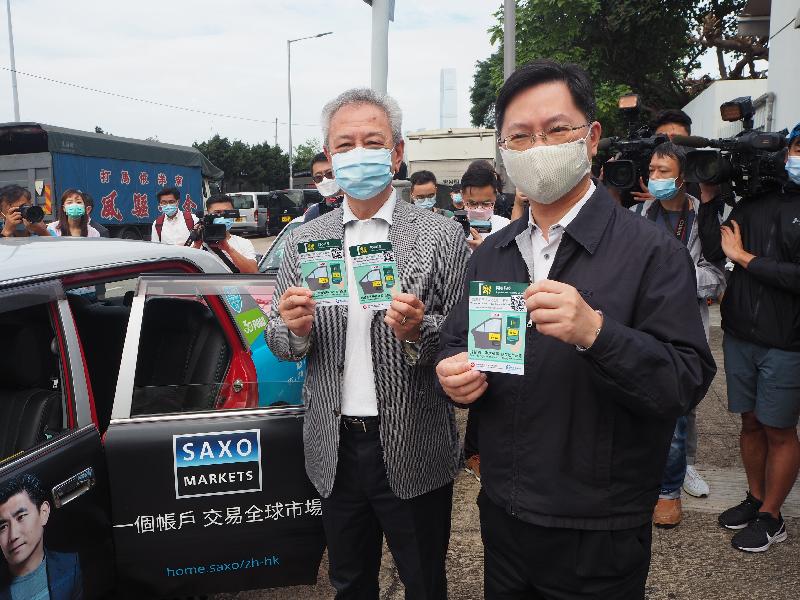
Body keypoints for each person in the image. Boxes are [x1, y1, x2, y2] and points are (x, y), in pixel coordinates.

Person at [435, 59, 715, 598]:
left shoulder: (651, 252)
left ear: (590, 139)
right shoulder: (493, 252)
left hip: (598, 530)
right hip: (503, 514)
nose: (537, 146)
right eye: (519, 135)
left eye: (556, 130)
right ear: (504, 150)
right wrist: (453, 371)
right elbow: (457, 339)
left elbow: (685, 379)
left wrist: (597, 332)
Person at [266, 87, 468, 600]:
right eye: (345, 144)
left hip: (413, 437)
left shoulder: (440, 235)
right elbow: (278, 338)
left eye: (371, 141)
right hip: (333, 443)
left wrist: (417, 330)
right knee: (349, 581)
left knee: (424, 580)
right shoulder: (307, 238)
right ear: (330, 157)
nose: (358, 153)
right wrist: (295, 326)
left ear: (397, 152)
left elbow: (466, 336)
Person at [697, 122, 800, 553]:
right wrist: (709, 201)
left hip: (787, 340)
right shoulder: (752, 201)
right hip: (741, 333)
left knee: (779, 429)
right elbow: (715, 249)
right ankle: (756, 498)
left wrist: (748, 259)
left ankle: (772, 517)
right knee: (750, 421)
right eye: (796, 146)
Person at [630, 142, 726, 527]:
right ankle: (646, 480)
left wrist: (675, 273)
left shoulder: (704, 215)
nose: (655, 178)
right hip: (641, 323)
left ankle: (670, 488)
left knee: (679, 409)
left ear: (682, 176)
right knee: (641, 402)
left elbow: (717, 277)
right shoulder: (638, 213)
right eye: (651, 170)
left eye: (663, 171)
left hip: (684, 324)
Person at [0, 473, 83, 600]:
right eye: (3, 527)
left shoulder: (70, 566)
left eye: (21, 517)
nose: (13, 535)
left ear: (43, 513)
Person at [193, 194, 258, 273]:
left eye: (226, 213)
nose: (222, 217)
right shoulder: (198, 242)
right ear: (207, 214)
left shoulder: (244, 243)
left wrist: (228, 249)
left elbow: (253, 272)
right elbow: (186, 272)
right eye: (217, 213)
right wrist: (197, 243)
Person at [460, 160, 511, 252]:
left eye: (486, 204)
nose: (479, 209)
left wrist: (484, 252)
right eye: (472, 204)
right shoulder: (450, 228)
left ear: (495, 197)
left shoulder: (506, 227)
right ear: (462, 196)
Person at [305, 152, 344, 222]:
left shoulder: (358, 207)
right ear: (314, 182)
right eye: (318, 177)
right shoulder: (313, 214)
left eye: (330, 173)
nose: (325, 180)